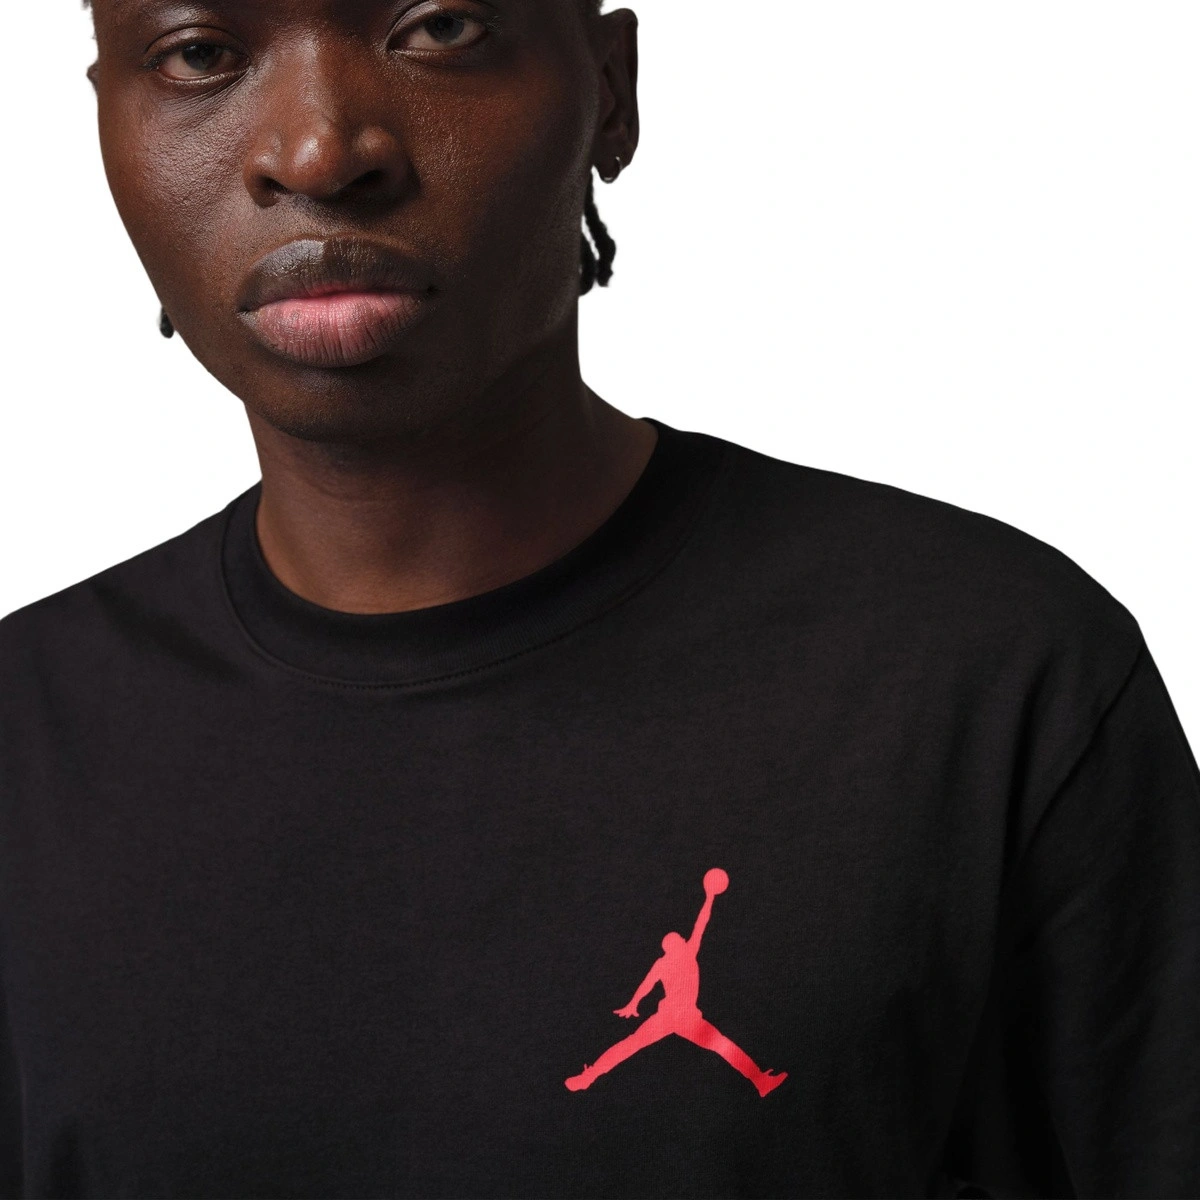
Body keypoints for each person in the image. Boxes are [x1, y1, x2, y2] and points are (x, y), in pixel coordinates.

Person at [0, 1, 1197, 1197]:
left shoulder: (990, 684)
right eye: (200, 54)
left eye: (440, 27)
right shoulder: (24, 739)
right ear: (109, 122)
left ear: (611, 90)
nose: (317, 152)